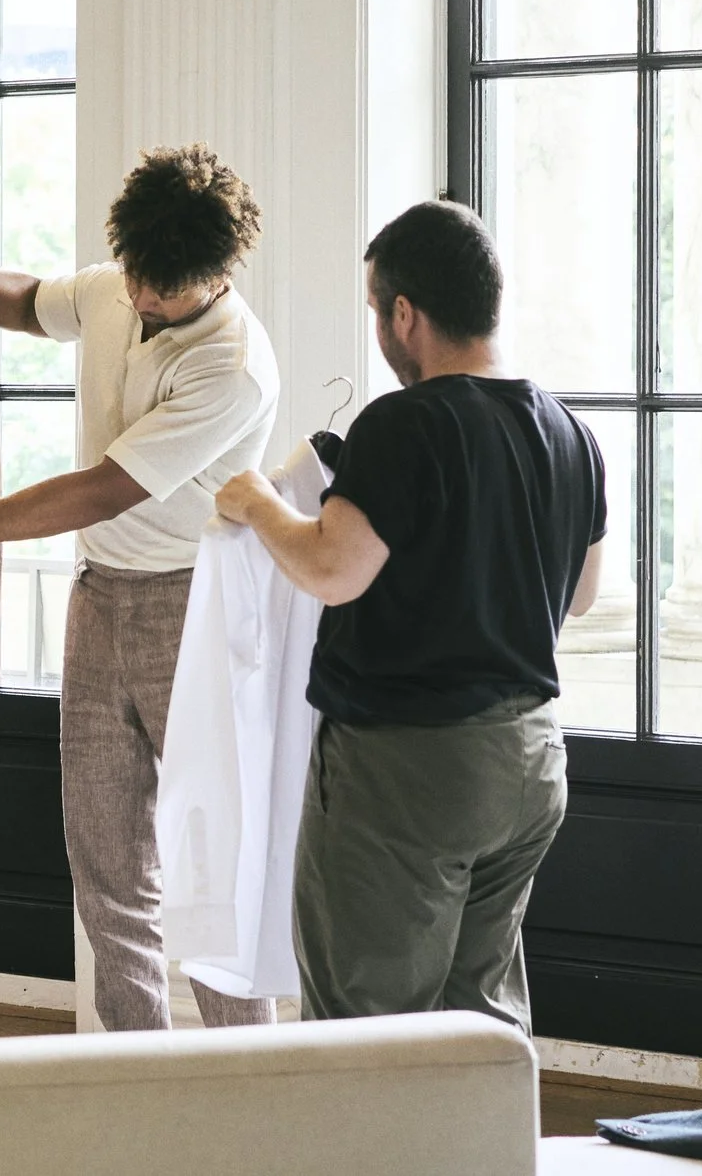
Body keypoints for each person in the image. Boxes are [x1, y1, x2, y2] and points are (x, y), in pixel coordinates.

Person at [0, 143, 281, 1031]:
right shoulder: (118, 285)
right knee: (105, 858)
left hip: (190, 609)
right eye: (130, 276)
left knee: (207, 870)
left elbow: (102, 489)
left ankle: (253, 1080)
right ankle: (136, 1073)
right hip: (98, 596)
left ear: (212, 275)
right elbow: (32, 302)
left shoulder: (234, 367)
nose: (135, 299)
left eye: (157, 290)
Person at [213, 198, 605, 1031]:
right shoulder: (573, 434)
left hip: (409, 772)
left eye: (376, 314)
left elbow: (331, 569)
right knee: (479, 1021)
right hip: (531, 763)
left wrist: (257, 505)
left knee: (368, 1026)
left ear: (405, 313)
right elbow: (580, 594)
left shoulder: (405, 423)